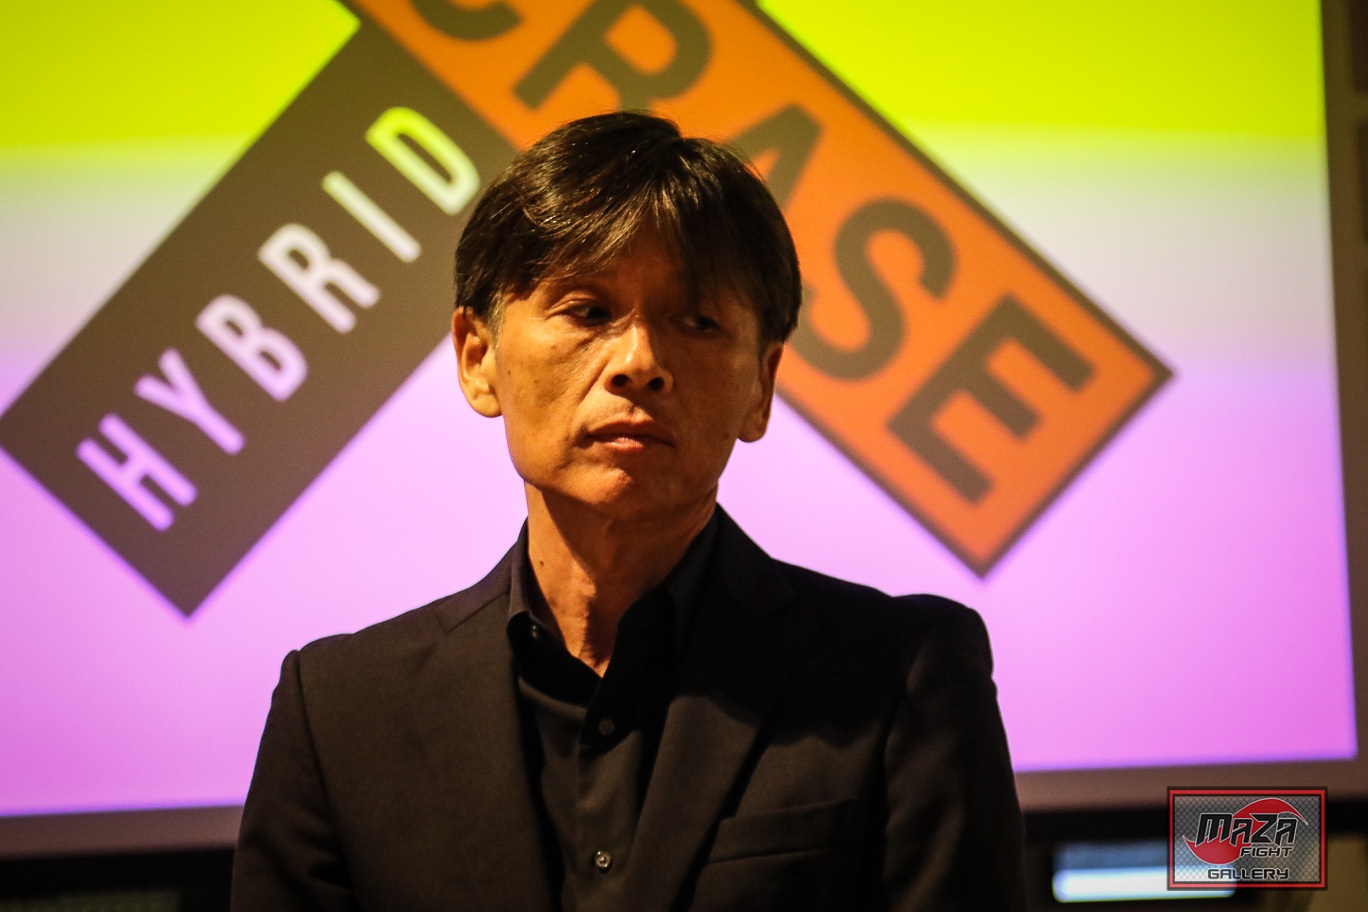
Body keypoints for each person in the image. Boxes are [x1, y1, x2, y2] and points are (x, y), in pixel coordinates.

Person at [231, 111, 1026, 912]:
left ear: (761, 386)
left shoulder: (898, 678)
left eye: (698, 322)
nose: (640, 362)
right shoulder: (338, 713)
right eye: (587, 311)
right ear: (478, 357)